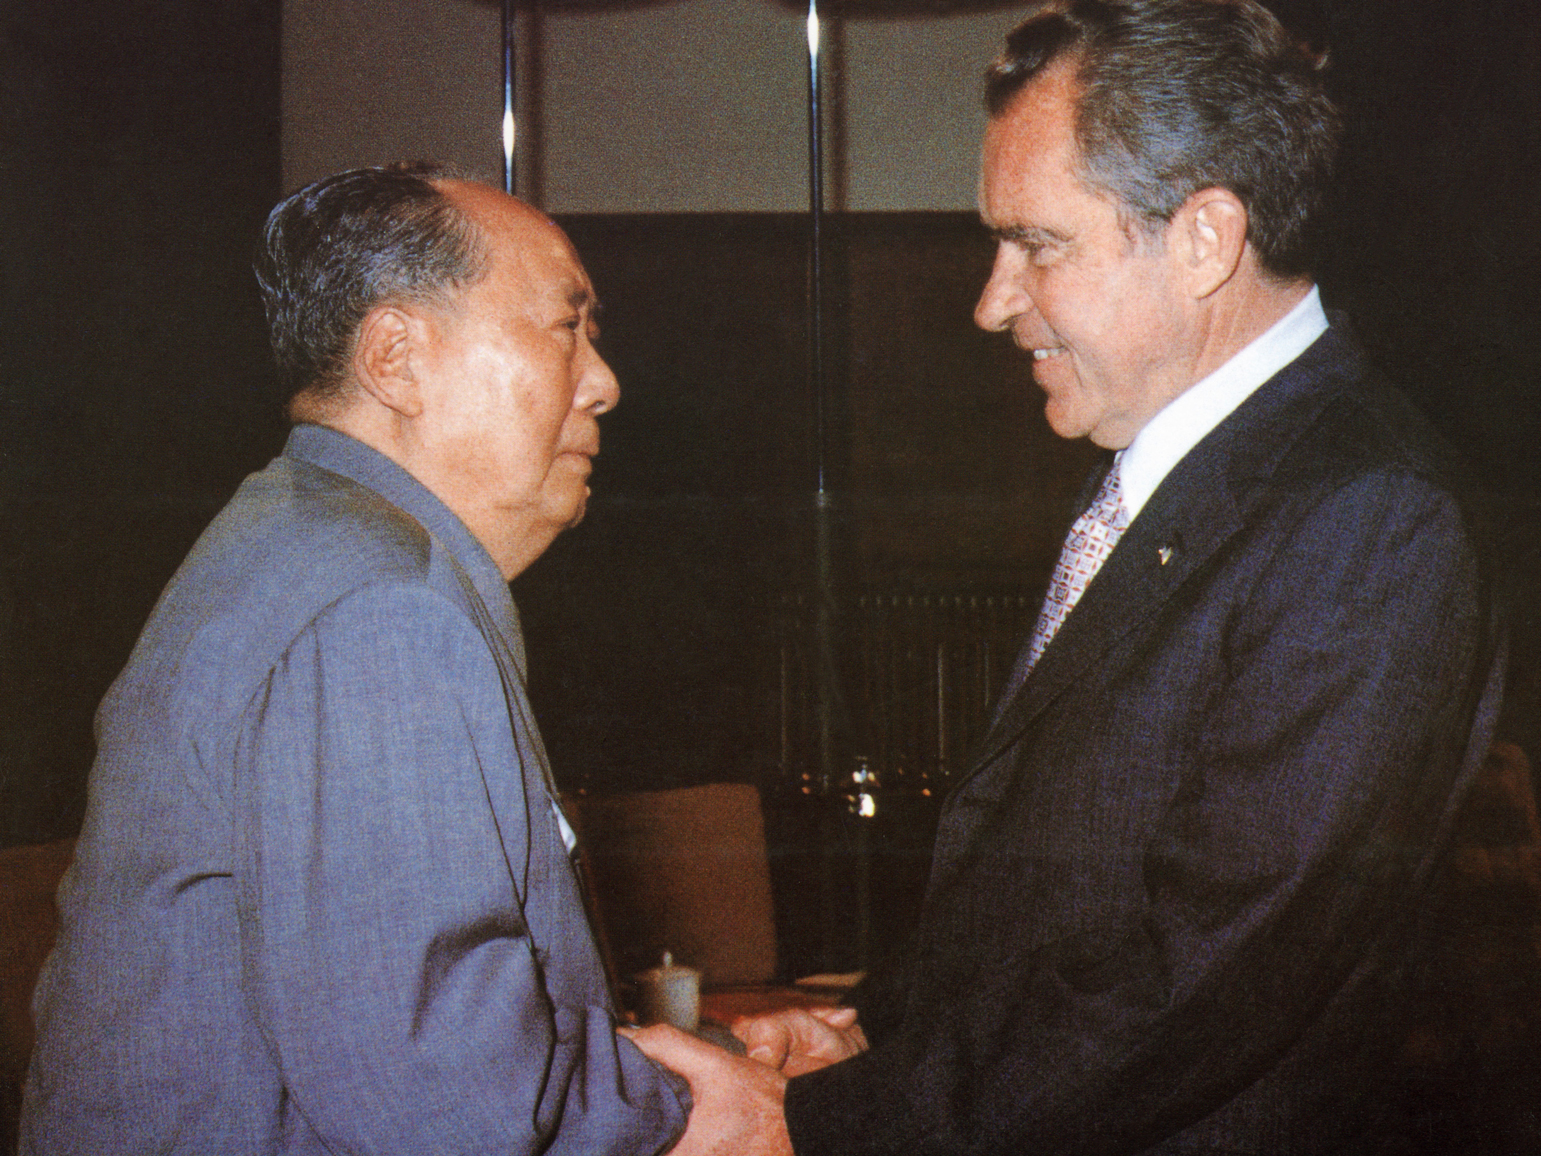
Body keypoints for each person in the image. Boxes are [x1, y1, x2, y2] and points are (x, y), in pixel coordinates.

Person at [629, 2, 1506, 1153]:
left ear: (1204, 238)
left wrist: (833, 1123)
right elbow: (1057, 897)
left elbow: (1202, 972)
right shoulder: (1182, 473)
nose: (991, 301)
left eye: (1037, 245)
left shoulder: (1368, 517)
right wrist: (879, 1035)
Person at [21, 164, 688, 1155]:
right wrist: (683, 1105)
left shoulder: (306, 539)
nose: (603, 381)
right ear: (395, 357)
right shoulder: (378, 605)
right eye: (565, 326)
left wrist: (669, 1061)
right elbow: (445, 1109)